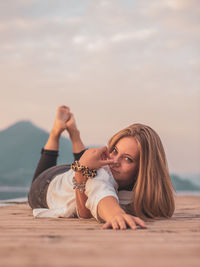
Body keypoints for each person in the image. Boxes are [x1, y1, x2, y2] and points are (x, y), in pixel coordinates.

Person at [28, 105, 175, 230]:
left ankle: (74, 134)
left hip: (75, 171)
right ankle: (55, 133)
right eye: (115, 151)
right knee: (93, 170)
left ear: (144, 169)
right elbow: (101, 191)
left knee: (88, 165)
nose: (114, 161)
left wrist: (81, 170)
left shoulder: (142, 186)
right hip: (46, 185)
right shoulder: (102, 174)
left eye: (127, 159)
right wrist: (116, 214)